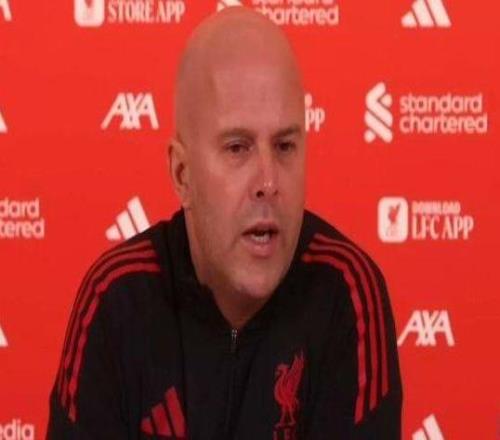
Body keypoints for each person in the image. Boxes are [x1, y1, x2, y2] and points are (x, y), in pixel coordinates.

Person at [47, 6, 402, 439]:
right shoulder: (116, 300)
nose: (268, 182)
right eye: (238, 148)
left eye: (285, 146)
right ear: (182, 175)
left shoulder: (347, 293)